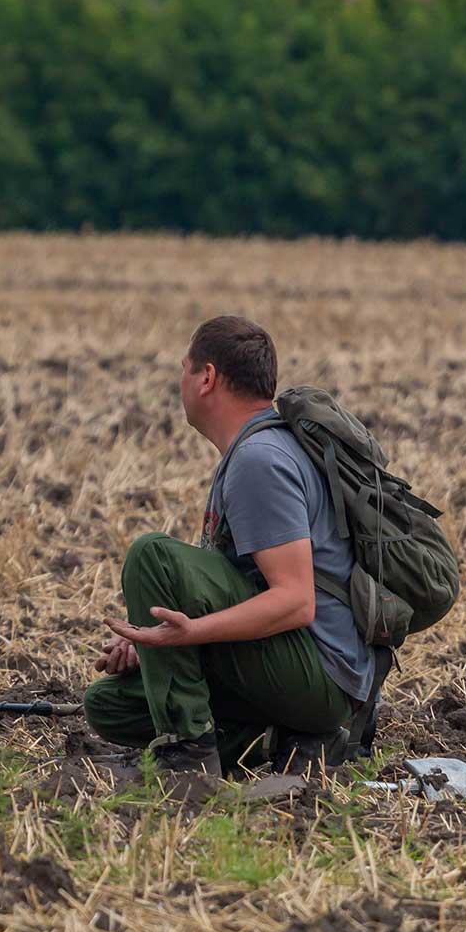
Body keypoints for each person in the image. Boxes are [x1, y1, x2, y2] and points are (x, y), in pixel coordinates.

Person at [85, 316, 373, 776]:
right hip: (296, 667)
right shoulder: (251, 451)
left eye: (184, 369)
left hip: (320, 672)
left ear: (207, 377)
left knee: (152, 555)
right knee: (110, 704)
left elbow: (296, 601)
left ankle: (188, 756)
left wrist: (190, 635)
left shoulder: (260, 461)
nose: (181, 381)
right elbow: (241, 583)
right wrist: (154, 644)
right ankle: (289, 742)